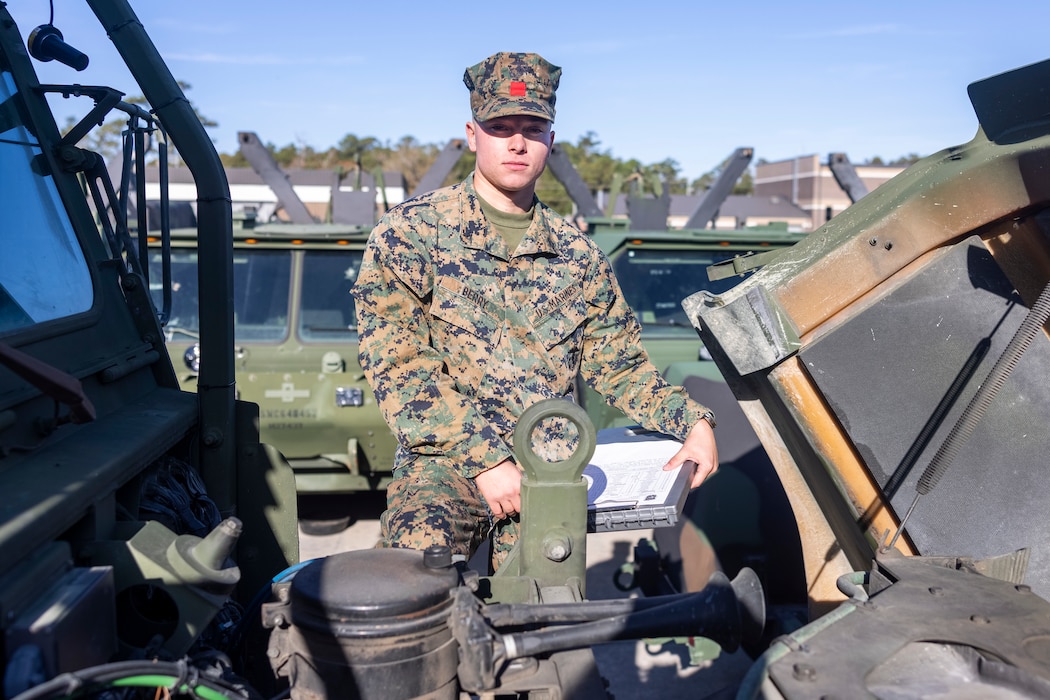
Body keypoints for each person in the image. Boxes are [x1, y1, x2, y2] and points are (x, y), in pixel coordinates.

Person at [351, 51, 718, 569]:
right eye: (500, 126)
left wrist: (692, 422)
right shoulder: (412, 232)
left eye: (533, 127)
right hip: (446, 465)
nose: (517, 142)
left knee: (545, 625)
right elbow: (399, 364)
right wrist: (485, 461)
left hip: (551, 471)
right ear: (472, 134)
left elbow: (619, 365)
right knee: (409, 587)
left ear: (551, 138)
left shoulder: (578, 253)